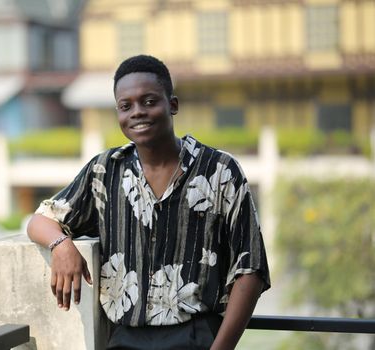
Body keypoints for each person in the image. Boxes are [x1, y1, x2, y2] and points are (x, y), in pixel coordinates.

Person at [27, 54, 270, 350]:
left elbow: (251, 269)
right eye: (125, 106)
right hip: (124, 339)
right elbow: (41, 220)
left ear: (173, 105)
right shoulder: (105, 170)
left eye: (149, 101)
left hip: (197, 337)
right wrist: (61, 245)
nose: (137, 112)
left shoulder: (220, 171)